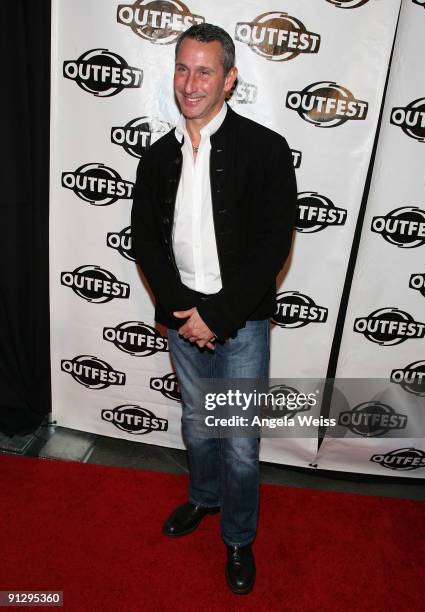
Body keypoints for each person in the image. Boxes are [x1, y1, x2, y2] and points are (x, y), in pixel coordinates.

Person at [131, 23, 297, 595]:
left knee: (241, 446)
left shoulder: (266, 150)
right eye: (182, 68)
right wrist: (182, 313)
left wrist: (218, 316)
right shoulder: (156, 158)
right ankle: (201, 499)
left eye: (204, 71)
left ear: (229, 79)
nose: (190, 83)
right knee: (200, 430)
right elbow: (146, 242)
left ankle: (238, 538)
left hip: (241, 320)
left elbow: (272, 244)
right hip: (183, 320)